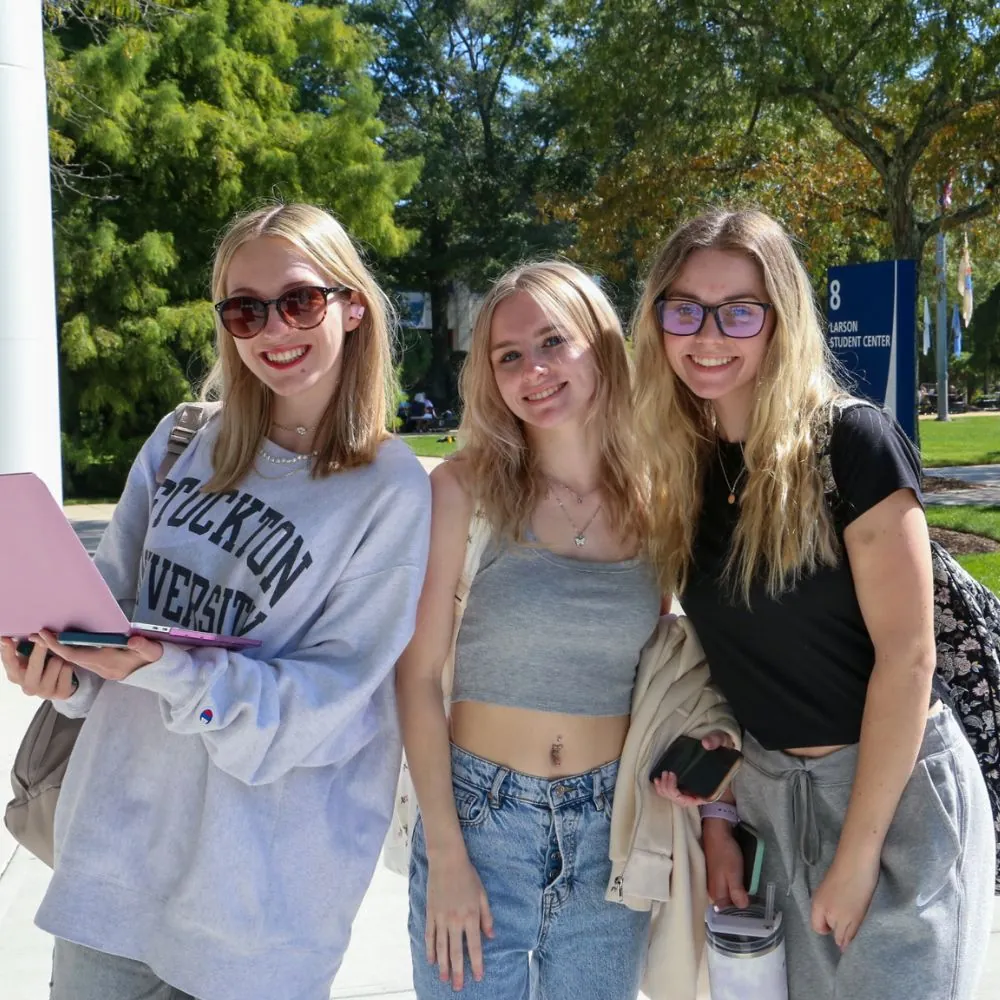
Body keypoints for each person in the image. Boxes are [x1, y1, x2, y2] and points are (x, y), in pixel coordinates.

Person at [0, 203, 431, 1000]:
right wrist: (61, 667)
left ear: (353, 305)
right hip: (112, 860)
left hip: (258, 905)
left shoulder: (390, 487)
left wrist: (170, 669)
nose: (274, 328)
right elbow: (109, 619)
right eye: (245, 309)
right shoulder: (182, 438)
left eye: (299, 300)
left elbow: (328, 703)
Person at [634, 208, 995, 1000]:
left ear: (781, 319)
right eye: (684, 308)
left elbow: (909, 656)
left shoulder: (852, 444)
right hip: (769, 799)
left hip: (891, 796)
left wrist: (860, 854)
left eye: (739, 311)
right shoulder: (684, 472)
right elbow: (722, 662)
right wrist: (720, 819)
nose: (708, 334)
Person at [396, 261, 661, 999]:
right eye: (508, 356)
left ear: (601, 347)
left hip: (611, 835)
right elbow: (416, 679)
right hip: (481, 825)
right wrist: (447, 853)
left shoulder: (660, 500)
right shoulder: (462, 490)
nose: (533, 370)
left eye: (553, 342)